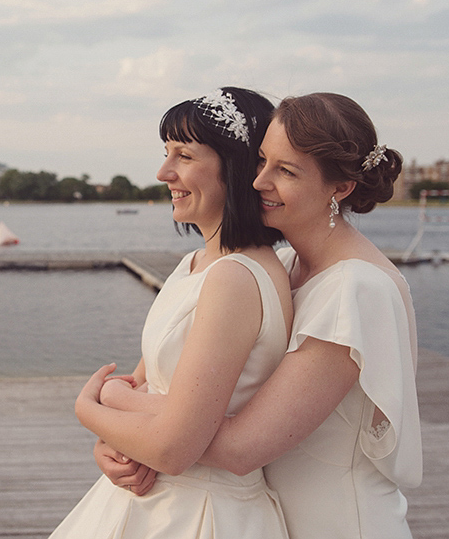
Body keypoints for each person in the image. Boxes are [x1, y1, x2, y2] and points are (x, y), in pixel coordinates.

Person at [98, 92, 423, 539]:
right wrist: (122, 442)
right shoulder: (287, 267)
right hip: (267, 517)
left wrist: (110, 401)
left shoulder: (356, 291)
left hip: (336, 524)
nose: (258, 182)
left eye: (285, 171)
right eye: (261, 161)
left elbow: (235, 448)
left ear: (341, 188)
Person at [49, 87, 294, 539]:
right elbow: (141, 384)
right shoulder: (196, 265)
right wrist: (110, 445)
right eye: (166, 153)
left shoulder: (236, 277)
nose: (164, 173)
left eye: (183, 155)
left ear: (235, 167)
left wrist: (88, 408)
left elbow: (174, 447)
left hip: (197, 512)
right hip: (155, 497)